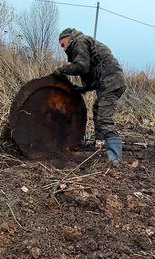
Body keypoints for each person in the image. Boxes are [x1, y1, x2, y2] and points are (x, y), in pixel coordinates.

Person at [54, 28, 126, 165]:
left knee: (105, 119)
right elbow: (92, 76)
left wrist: (61, 69)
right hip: (109, 81)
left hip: (111, 82)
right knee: (97, 108)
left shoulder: (79, 42)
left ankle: (115, 159)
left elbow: (82, 66)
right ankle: (99, 144)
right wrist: (82, 88)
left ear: (69, 38)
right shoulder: (81, 45)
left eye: (62, 45)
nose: (63, 49)